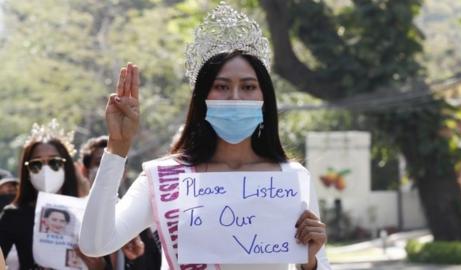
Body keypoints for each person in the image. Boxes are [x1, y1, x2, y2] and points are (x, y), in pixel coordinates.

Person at [80, 2, 330, 270]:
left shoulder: (290, 178)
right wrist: (117, 148)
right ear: (202, 100)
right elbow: (96, 243)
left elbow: (317, 264)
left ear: (264, 98)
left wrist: (311, 262)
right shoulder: (164, 177)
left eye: (248, 86)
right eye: (221, 86)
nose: (235, 98)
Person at [0, 119, 109, 269]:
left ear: (66, 166)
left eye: (54, 163)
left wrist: (99, 266)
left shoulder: (84, 211)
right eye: (36, 164)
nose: (46, 170)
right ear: (27, 171)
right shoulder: (14, 215)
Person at [79, 136, 161, 270]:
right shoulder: (70, 213)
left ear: (124, 172)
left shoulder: (137, 215)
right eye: (100, 163)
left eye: (115, 164)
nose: (107, 170)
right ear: (84, 171)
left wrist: (137, 258)